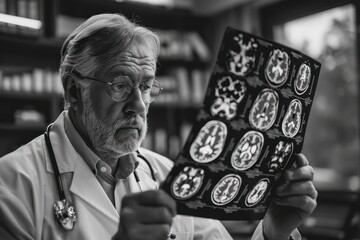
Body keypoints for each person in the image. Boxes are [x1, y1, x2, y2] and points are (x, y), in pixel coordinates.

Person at [0, 13, 317, 240]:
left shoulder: (167, 175)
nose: (138, 104)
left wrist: (274, 232)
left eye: (147, 87)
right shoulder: (11, 185)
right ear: (74, 91)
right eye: (121, 85)